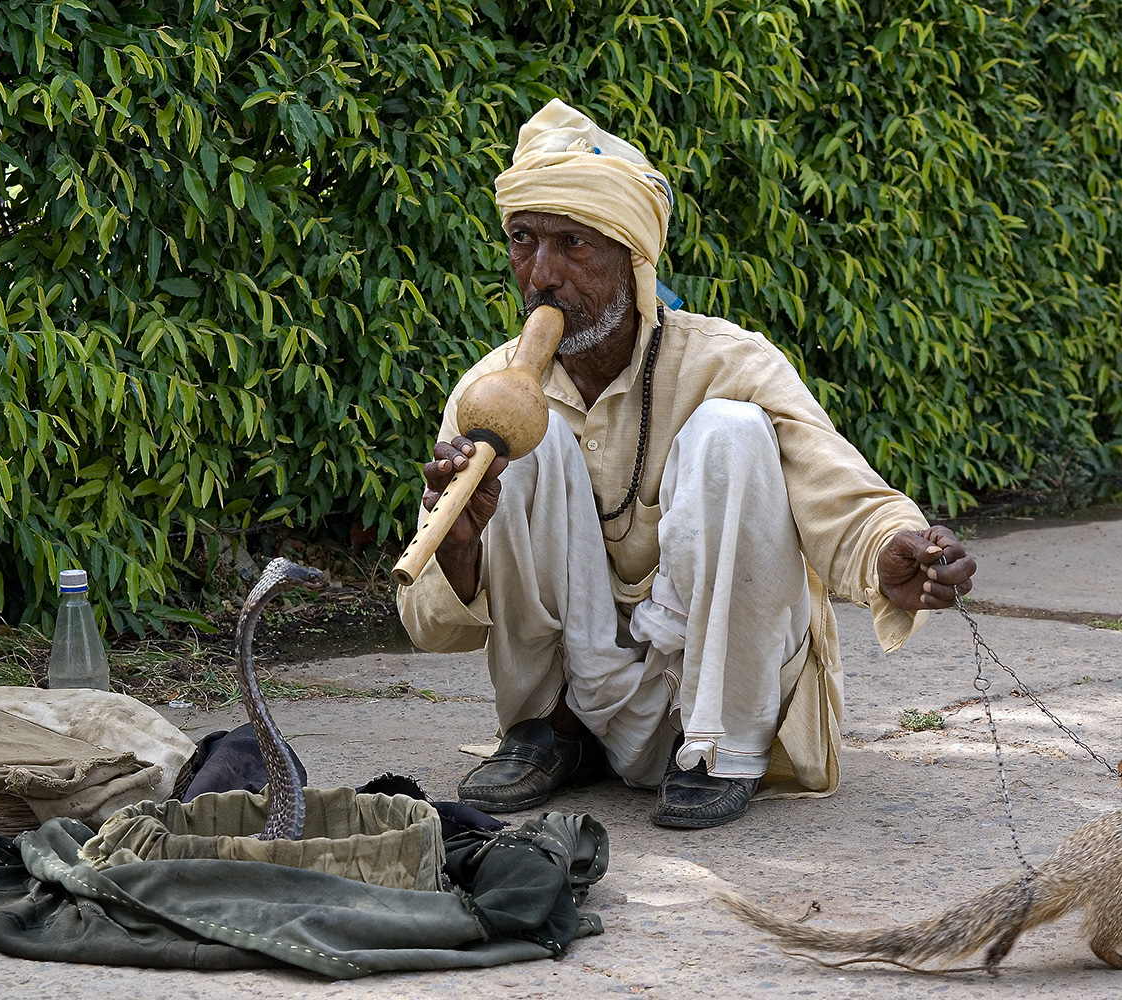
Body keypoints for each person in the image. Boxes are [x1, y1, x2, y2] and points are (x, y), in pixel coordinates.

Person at [396, 99, 976, 829]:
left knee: (733, 431)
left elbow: (837, 485)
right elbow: (430, 626)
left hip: (705, 691)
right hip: (578, 693)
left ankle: (724, 744)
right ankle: (547, 729)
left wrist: (895, 548)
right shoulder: (491, 387)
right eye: (523, 240)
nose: (540, 274)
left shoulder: (729, 359)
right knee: (506, 449)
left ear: (631, 259)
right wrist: (459, 545)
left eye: (573, 244)